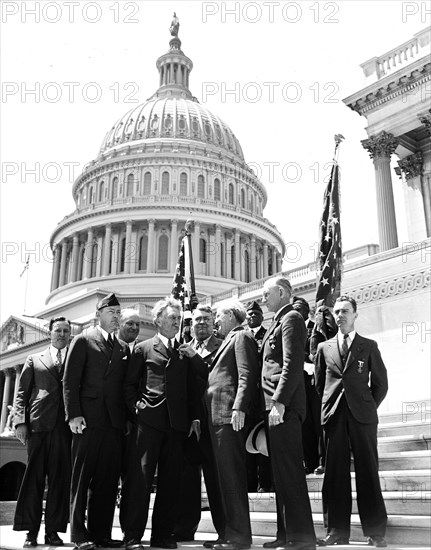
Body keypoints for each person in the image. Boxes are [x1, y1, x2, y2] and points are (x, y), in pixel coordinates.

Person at [120, 297, 207, 550]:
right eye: (171, 318)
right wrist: (138, 406)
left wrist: (193, 418)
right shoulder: (143, 348)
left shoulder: (185, 350)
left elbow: (196, 384)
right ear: (157, 320)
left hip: (177, 426)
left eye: (178, 319)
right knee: (140, 481)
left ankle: (163, 534)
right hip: (149, 423)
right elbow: (129, 386)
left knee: (171, 483)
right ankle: (133, 535)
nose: (176, 322)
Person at [315, 296, 388, 547]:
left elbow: (380, 384)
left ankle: (375, 532)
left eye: (345, 311)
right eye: (336, 311)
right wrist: (331, 406)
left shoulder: (369, 345)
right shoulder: (324, 347)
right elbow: (319, 383)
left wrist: (366, 407)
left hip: (363, 418)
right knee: (334, 474)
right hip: (334, 416)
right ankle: (336, 531)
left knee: (367, 471)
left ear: (355, 314)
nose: (340, 315)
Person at [63, 293, 129, 550]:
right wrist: (73, 414)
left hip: (113, 424)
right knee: (81, 479)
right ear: (99, 314)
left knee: (107, 481)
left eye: (118, 313)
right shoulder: (83, 340)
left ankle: (101, 534)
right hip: (87, 421)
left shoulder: (122, 347)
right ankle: (79, 536)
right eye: (112, 312)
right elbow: (70, 381)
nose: (116, 317)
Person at [261, 277, 316, 550]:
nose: (262, 299)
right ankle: (286, 534)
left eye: (266, 294)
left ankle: (301, 536)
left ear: (281, 292)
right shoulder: (277, 321)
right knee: (280, 475)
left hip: (283, 407)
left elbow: (292, 364)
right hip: (273, 405)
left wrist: (279, 402)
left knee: (290, 473)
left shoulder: (292, 318)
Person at [204, 300, 260, 550]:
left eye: (219, 315)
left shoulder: (242, 337)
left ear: (231, 316)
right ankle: (227, 532)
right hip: (216, 417)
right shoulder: (228, 340)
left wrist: (239, 406)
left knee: (232, 478)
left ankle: (239, 537)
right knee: (222, 479)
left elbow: (246, 374)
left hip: (229, 414)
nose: (215, 320)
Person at [13, 317, 72, 548]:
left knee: (59, 481)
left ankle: (53, 532)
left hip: (64, 428)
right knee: (33, 480)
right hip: (38, 426)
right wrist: (20, 422)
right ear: (50, 332)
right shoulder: (33, 359)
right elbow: (21, 393)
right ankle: (31, 531)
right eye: (58, 330)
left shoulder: (75, 359)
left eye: (66, 331)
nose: (62, 334)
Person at [173, 304, 224, 545]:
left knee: (216, 481)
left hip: (213, 422)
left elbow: (215, 376)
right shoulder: (184, 348)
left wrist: (195, 359)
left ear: (214, 321)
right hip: (189, 425)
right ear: (190, 324)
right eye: (197, 320)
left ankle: (224, 530)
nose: (201, 323)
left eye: (206, 319)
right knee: (187, 481)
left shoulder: (222, 345)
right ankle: (185, 529)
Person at [245, 300, 272, 493]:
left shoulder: (268, 335)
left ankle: (266, 482)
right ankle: (249, 483)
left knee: (263, 442)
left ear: (263, 317)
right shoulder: (241, 336)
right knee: (247, 441)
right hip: (246, 398)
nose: (253, 317)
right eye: (250, 314)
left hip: (262, 395)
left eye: (256, 314)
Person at [292, 297, 320, 476]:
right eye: (294, 309)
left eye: (300, 308)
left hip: (314, 381)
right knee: (305, 424)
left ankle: (321, 459)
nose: (297, 311)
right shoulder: (292, 329)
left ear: (307, 310)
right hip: (298, 381)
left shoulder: (316, 328)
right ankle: (308, 461)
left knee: (318, 422)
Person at [309, 301, 337, 475]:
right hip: (322, 387)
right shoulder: (316, 338)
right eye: (320, 314)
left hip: (335, 386)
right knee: (323, 427)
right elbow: (315, 359)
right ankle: (323, 459)